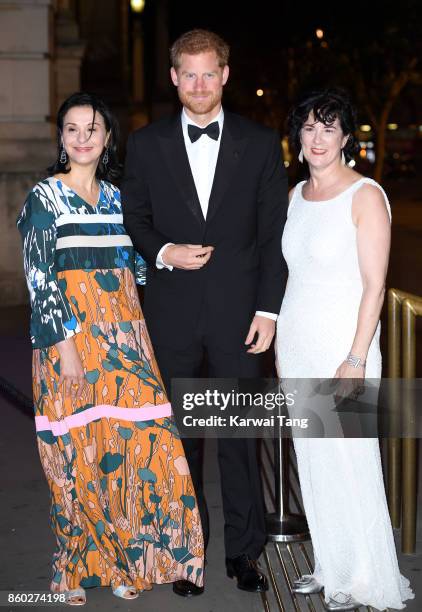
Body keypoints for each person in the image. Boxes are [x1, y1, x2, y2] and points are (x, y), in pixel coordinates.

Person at [17, 92, 204, 606]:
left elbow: (139, 269)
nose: (82, 138)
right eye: (72, 129)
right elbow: (40, 279)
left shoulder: (119, 199)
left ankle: (128, 559)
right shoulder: (45, 198)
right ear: (61, 138)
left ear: (107, 138)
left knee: (136, 449)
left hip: (125, 345)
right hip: (70, 344)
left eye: (92, 129)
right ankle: (73, 569)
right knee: (76, 457)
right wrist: (67, 347)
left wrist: (179, 263)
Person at [122, 29, 288, 597]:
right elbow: (136, 220)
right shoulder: (144, 146)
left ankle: (245, 552)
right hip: (172, 315)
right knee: (182, 442)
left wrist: (269, 311)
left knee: (240, 440)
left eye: (208, 73)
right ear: (173, 78)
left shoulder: (262, 144)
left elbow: (273, 236)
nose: (198, 84)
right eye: (187, 74)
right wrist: (164, 252)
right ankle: (188, 553)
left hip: (240, 316)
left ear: (225, 75)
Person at [276, 88, 414, 611]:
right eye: (309, 127)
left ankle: (364, 579)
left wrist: (356, 356)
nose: (316, 138)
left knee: (352, 460)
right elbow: (294, 277)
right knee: (312, 460)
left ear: (345, 138)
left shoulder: (365, 196)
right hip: (298, 343)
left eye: (328, 128)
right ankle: (330, 564)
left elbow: (375, 284)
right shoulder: (294, 197)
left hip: (344, 346)